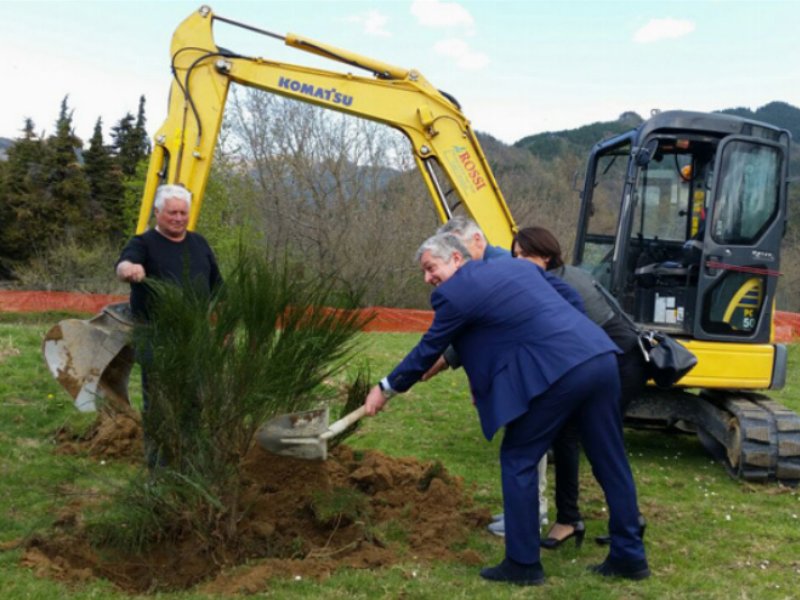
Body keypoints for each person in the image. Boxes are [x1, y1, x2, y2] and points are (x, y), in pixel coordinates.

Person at [364, 233, 650, 585]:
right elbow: (570, 298)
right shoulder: (518, 269)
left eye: (430, 268)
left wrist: (385, 389)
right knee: (610, 459)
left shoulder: (455, 294)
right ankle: (629, 557)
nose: (427, 279)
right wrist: (572, 339)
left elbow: (428, 348)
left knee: (518, 458)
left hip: (559, 375)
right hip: (599, 357)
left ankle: (523, 564)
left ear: (457, 258)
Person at [429, 216, 584, 534]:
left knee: (529, 442)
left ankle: (532, 514)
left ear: (476, 240)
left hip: (547, 363)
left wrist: (434, 365)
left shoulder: (500, 266)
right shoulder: (487, 268)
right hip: (538, 362)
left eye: (456, 247)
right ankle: (530, 512)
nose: (454, 257)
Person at [512, 226, 648, 548]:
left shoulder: (560, 284)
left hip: (620, 361)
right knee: (568, 437)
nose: (518, 262)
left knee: (596, 443)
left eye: (525, 255)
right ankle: (577, 519)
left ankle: (611, 521)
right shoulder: (559, 275)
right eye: (514, 256)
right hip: (605, 359)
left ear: (546, 255)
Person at [116, 183, 223, 467]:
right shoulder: (143, 243)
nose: (178, 218)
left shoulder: (199, 244)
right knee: (160, 405)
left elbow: (217, 288)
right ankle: (159, 468)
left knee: (194, 403)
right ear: (157, 212)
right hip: (156, 337)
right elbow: (123, 265)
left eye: (183, 213)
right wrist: (131, 270)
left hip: (195, 337)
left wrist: (225, 325)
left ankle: (190, 462)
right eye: (172, 212)